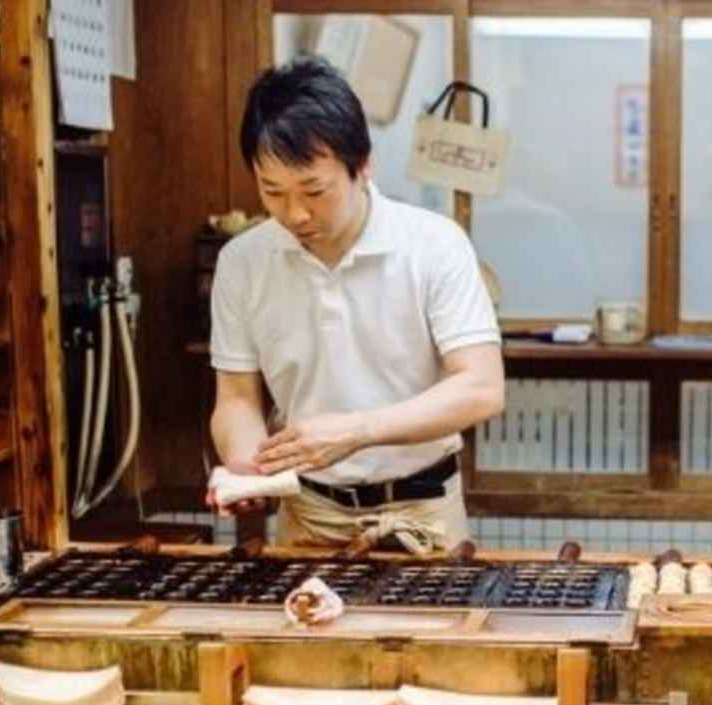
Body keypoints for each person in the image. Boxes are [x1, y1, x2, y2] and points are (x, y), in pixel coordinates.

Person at [207, 57, 504, 550]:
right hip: (308, 514)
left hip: (422, 512)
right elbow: (237, 397)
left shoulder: (434, 243)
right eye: (272, 192)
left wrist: (358, 431)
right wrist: (246, 467)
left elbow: (481, 387)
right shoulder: (243, 261)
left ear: (364, 166)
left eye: (315, 191)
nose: (295, 213)